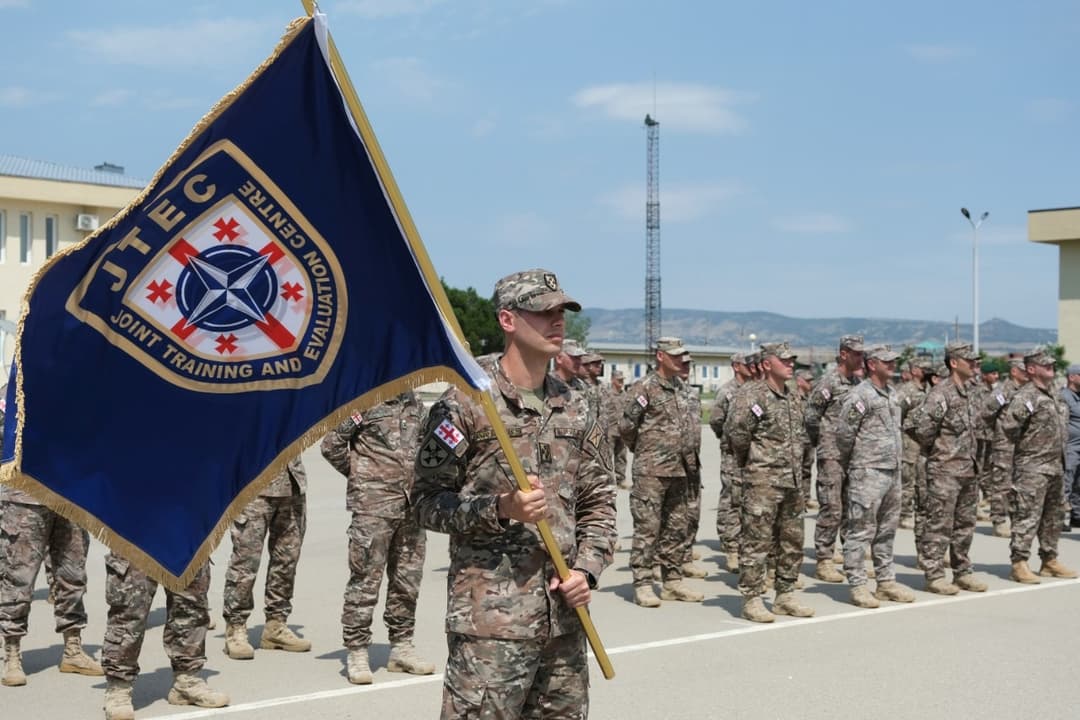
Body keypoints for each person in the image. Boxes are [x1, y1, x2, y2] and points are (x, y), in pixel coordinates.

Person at [411, 268, 616, 719]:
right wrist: (500, 509)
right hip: (492, 626)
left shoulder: (578, 404)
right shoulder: (467, 401)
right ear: (508, 319)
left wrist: (587, 570)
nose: (557, 321)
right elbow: (425, 503)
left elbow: (599, 500)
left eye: (562, 311)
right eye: (543, 312)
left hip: (564, 621)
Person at [320, 391, 434, 685]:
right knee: (365, 580)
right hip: (373, 507)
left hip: (411, 506)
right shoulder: (363, 402)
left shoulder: (415, 404)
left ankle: (402, 646)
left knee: (407, 581)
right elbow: (331, 445)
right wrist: (362, 477)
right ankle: (357, 649)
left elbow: (426, 447)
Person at [1, 397, 102, 686]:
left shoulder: (76, 391)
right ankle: (12, 653)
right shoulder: (15, 389)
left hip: (70, 494)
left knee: (72, 575)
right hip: (25, 497)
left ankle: (73, 649)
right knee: (18, 578)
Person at [725, 342, 814, 623]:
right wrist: (755, 463)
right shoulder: (752, 395)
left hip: (792, 481)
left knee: (792, 540)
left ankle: (785, 594)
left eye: (792, 360)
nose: (791, 364)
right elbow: (737, 435)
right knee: (756, 541)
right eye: (784, 360)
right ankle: (751, 598)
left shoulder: (793, 395)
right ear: (766, 364)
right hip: (762, 481)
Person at [620, 336, 705, 607]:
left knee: (676, 528)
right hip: (652, 471)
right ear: (660, 356)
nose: (680, 360)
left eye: (682, 355)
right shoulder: (644, 388)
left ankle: (672, 581)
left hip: (683, 470)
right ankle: (643, 582)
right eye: (675, 355)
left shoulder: (685, 390)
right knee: (648, 528)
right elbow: (626, 427)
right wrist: (646, 451)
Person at [835, 346, 915, 608]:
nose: (892, 365)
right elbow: (844, 435)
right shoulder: (860, 395)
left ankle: (886, 582)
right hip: (868, 471)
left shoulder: (892, 393)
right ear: (872, 364)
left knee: (887, 530)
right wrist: (858, 464)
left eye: (894, 361)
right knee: (860, 530)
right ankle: (858, 584)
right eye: (887, 361)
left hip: (892, 471)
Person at [101, 558, 226, 720]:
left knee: (190, 606)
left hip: (186, 544)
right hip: (137, 544)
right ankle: (119, 688)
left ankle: (187, 681)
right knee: (130, 608)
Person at [911, 341, 988, 595]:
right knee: (939, 524)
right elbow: (922, 430)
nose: (974, 364)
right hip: (945, 470)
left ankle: (962, 571)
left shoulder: (971, 391)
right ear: (954, 363)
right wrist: (940, 453)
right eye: (969, 360)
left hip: (968, 468)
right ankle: (934, 575)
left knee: (965, 525)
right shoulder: (940, 394)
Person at [1000, 348, 1078, 583]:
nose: (1051, 367)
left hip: (1056, 466)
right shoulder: (1026, 396)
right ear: (1032, 369)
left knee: (1053, 517)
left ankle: (1049, 560)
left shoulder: (1054, 394)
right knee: (1027, 516)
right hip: (1032, 467)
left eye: (1052, 365)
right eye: (1046, 365)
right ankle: (1019, 563)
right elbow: (1008, 428)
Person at [221, 457, 311, 660]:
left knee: (286, 561)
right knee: (245, 563)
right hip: (252, 487)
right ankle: (235, 627)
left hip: (292, 486)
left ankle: (276, 625)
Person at [805, 334, 865, 583]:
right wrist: (823, 441)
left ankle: (852, 559)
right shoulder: (828, 383)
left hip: (853, 455)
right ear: (843, 354)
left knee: (852, 509)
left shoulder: (859, 384)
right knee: (831, 507)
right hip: (831, 455)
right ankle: (824, 559)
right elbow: (811, 417)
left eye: (862, 354)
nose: (861, 358)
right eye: (856, 354)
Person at [709, 353, 754, 572]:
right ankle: (731, 548)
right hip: (732, 454)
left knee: (749, 499)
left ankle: (745, 543)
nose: (751, 367)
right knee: (731, 498)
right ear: (736, 366)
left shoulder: (754, 389)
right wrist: (728, 440)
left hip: (752, 453)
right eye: (747, 364)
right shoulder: (727, 391)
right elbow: (716, 420)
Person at [981, 358, 1028, 538]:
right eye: (1023, 370)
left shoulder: (1026, 391)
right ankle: (999, 521)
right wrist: (998, 430)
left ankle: (1015, 519)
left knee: (1018, 484)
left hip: (1022, 444)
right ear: (1014, 371)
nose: (1027, 374)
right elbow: (986, 412)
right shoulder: (1004, 391)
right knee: (1001, 484)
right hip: (1004, 444)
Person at [1061, 364, 1080, 529]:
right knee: (1066, 482)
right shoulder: (1063, 397)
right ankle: (1059, 518)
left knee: (1079, 485)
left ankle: (1077, 515)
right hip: (1070, 447)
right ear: (1072, 377)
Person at [605, 370, 630, 488]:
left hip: (622, 431)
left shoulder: (625, 395)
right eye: (619, 379)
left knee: (622, 456)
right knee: (607, 456)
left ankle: (620, 479)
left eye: (622, 379)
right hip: (610, 430)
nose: (621, 382)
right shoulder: (606, 394)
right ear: (612, 380)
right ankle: (607, 480)